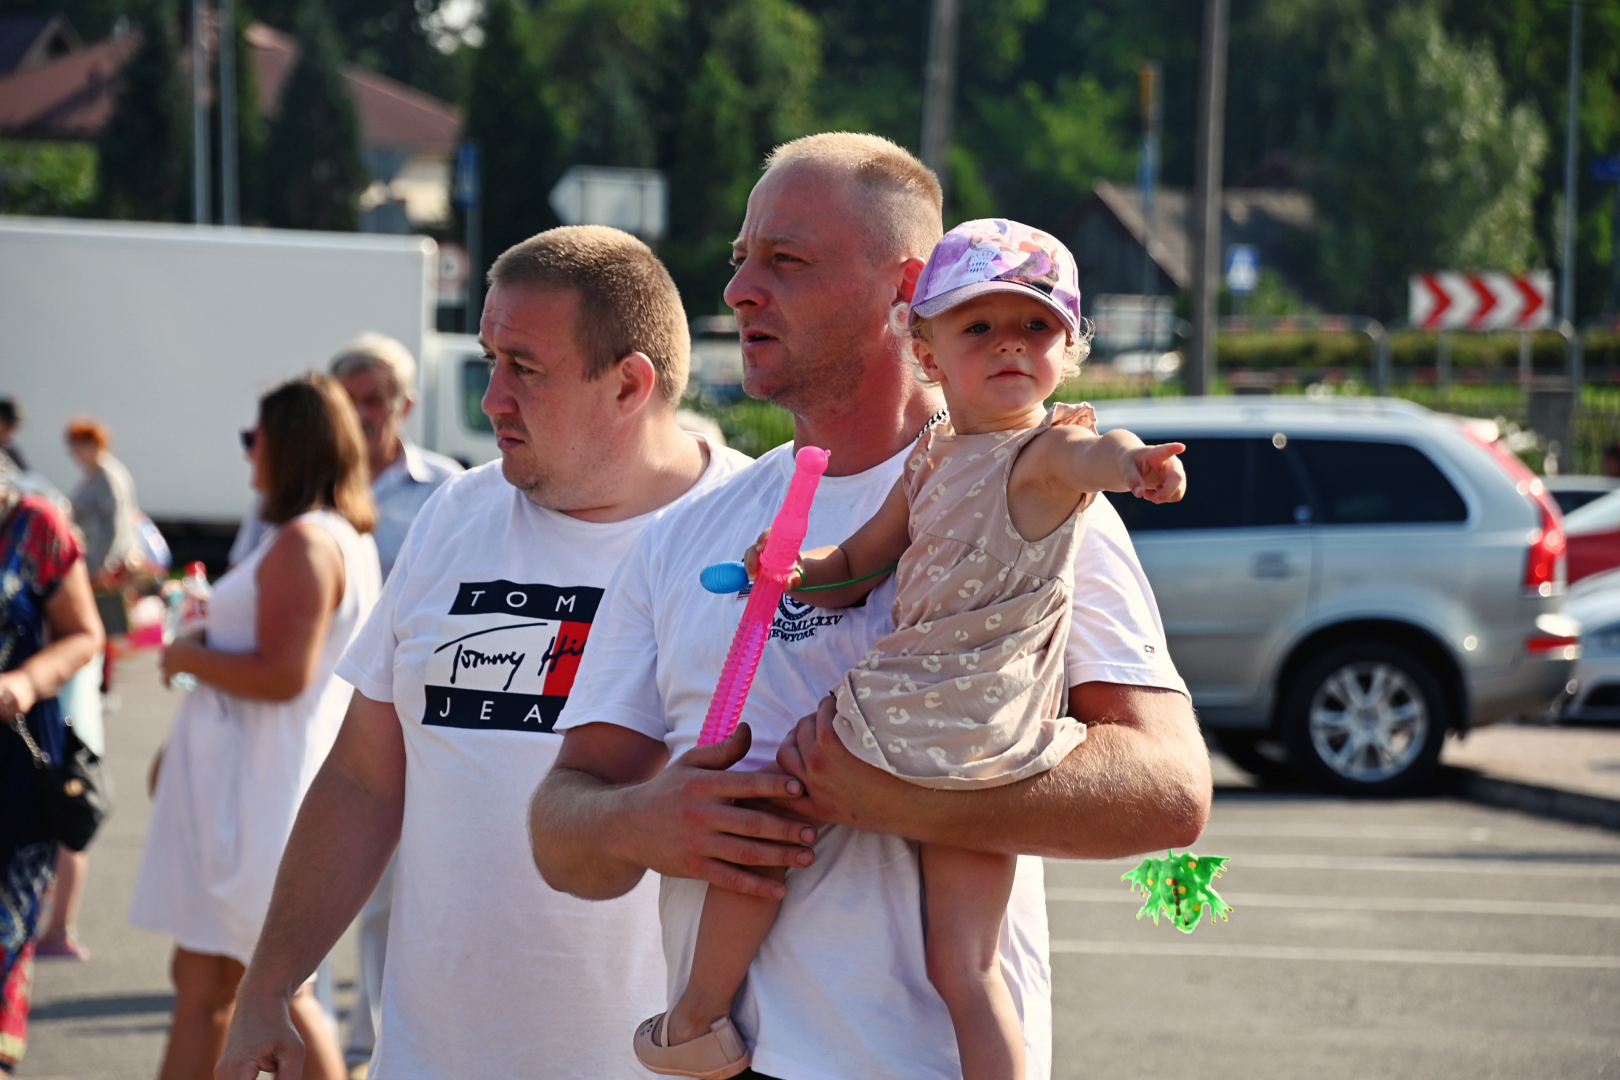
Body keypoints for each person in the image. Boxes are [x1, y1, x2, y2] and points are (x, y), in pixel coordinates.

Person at [533, 133, 1211, 1080]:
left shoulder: (1041, 504)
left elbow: (1170, 794)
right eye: (741, 259)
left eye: (786, 259)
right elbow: (561, 829)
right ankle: (695, 1018)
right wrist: (644, 820)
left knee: (965, 967)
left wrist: (892, 793)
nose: (739, 291)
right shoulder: (685, 535)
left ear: (906, 294)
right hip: (728, 1066)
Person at [214, 226, 752, 1080]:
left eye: (525, 368)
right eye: (489, 360)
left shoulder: (758, 538)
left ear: (629, 384)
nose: (492, 399)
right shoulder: (458, 515)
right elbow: (362, 779)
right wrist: (270, 984)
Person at [128, 374, 382, 1080]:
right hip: (247, 791)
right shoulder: (325, 536)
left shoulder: (306, 543)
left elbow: (284, 675)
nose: (247, 453)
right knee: (206, 982)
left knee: (277, 992)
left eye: (254, 437)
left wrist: (187, 656)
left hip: (260, 798)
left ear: (287, 443)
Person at [0, 453, 104, 1073]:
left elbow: (85, 633)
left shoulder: (34, 525)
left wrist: (27, 681)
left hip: (12, 767)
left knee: (3, 938)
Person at [0, 399, 27, 473]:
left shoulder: (10, 451)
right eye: (6, 424)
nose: (8, 430)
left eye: (12, 426)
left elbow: (27, 475)